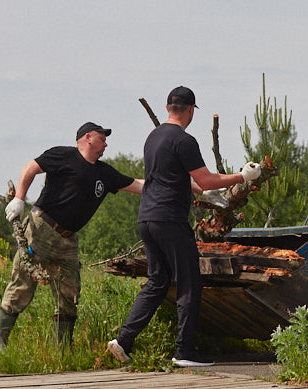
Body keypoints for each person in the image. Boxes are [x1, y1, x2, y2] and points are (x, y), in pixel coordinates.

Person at [108, 87, 261, 368]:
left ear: (168, 108)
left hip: (147, 218)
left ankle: (124, 340)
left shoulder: (153, 137)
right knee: (189, 282)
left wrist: (201, 191)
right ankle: (185, 351)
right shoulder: (184, 140)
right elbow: (206, 179)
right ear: (191, 110)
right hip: (170, 219)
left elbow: (170, 177)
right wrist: (243, 176)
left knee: (158, 281)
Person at [0, 122, 144, 349]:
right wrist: (19, 199)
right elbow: (30, 168)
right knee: (22, 284)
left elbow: (139, 184)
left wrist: (177, 185)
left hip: (68, 240)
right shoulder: (63, 155)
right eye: (102, 139)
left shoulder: (104, 173)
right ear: (88, 137)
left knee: (70, 293)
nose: (106, 144)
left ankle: (62, 350)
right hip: (41, 229)